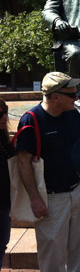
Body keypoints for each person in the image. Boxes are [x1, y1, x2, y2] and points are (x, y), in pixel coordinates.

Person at [16, 72, 80, 272]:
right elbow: (23, 162)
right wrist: (34, 198)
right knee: (52, 253)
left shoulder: (72, 114)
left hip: (76, 191)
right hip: (51, 198)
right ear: (55, 96)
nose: (77, 98)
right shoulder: (31, 120)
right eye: (71, 95)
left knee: (78, 246)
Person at [0, 98, 15, 269]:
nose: (4, 117)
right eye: (0, 114)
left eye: (6, 111)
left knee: (1, 245)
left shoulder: (4, 139)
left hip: (5, 203)